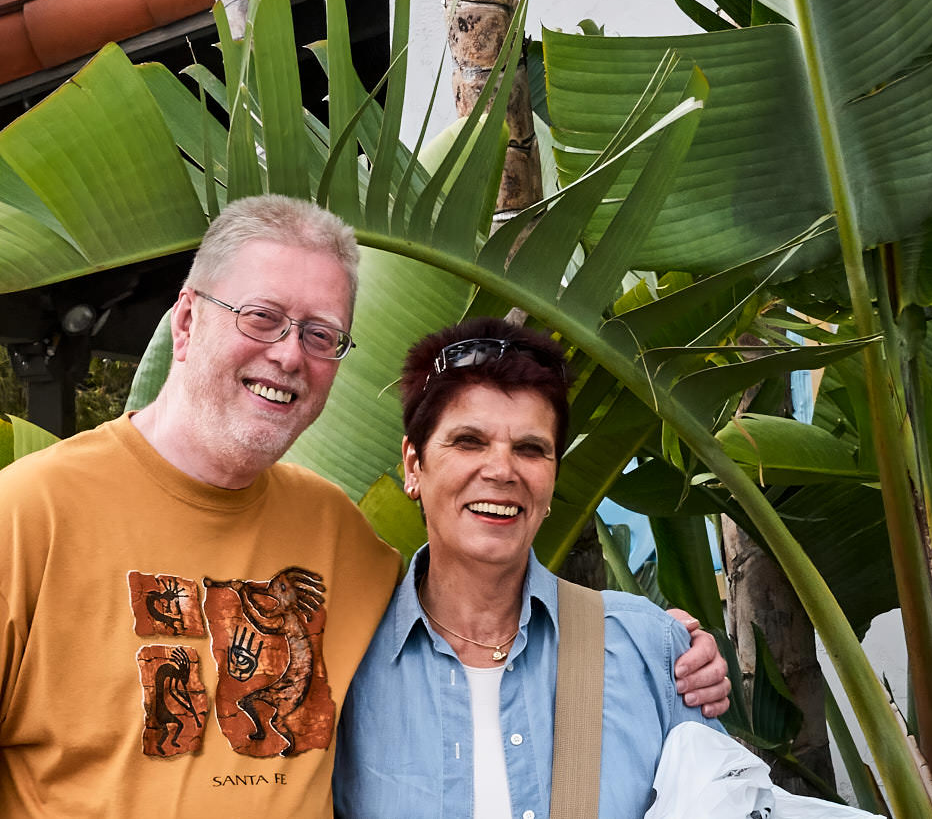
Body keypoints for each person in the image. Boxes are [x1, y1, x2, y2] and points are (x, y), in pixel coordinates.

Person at [0, 195, 727, 818]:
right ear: (186, 322)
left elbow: (468, 602)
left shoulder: (334, 537)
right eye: (262, 318)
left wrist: (662, 641)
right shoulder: (31, 514)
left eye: (320, 335)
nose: (289, 355)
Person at [333, 318, 728, 818]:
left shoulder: (648, 651)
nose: (502, 470)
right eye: (469, 441)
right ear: (414, 466)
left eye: (530, 449)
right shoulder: (341, 656)